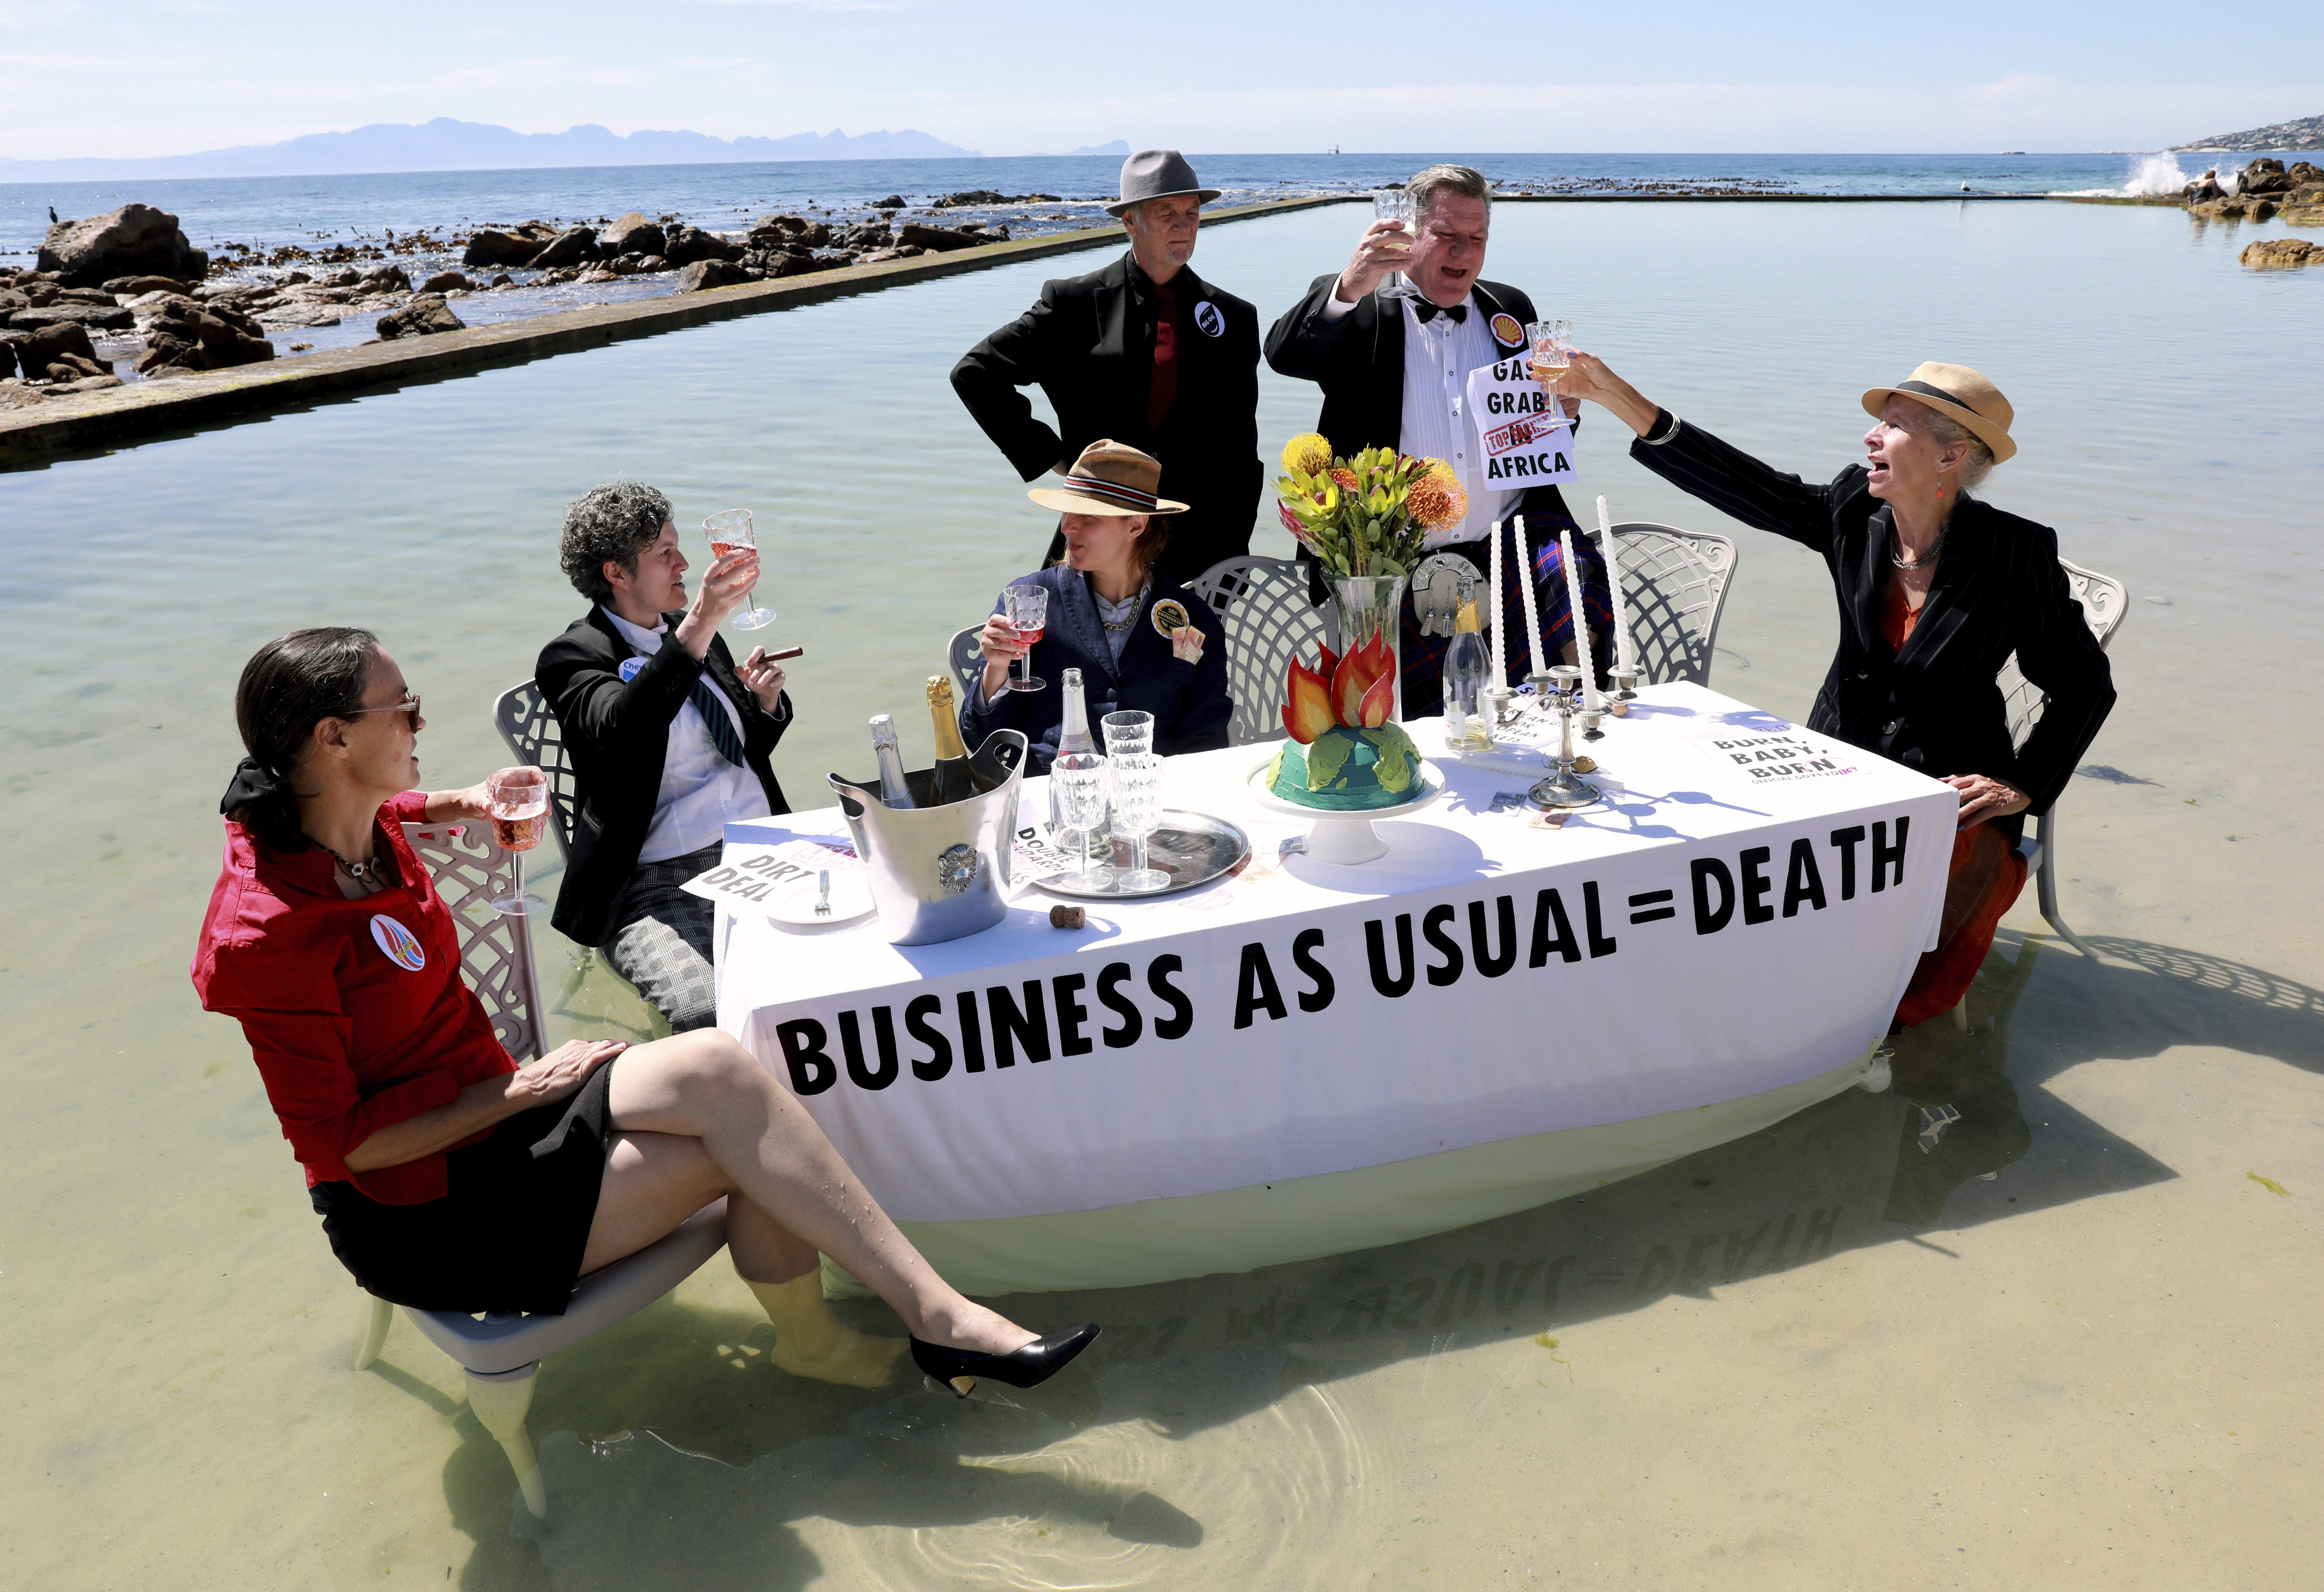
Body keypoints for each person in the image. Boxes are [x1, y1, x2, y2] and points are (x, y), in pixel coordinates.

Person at [191, 627, 1096, 1395]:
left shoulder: (362, 820)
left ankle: (921, 1318)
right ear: (333, 738)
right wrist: (518, 1094)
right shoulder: (265, 933)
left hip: (495, 1114)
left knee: (725, 1063)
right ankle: (858, 1334)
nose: (422, 722)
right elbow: (343, 1145)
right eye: (405, 710)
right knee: (745, 1142)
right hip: (429, 1211)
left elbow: (404, 806)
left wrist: (464, 799)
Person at [1558, 353, 2116, 1028]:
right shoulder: (1855, 509)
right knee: (1727, 862)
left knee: (1907, 950)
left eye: (1895, 426)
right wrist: (1617, 395)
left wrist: (2022, 786)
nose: (1870, 438)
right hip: (1833, 767)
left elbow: (2084, 684)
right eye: (1879, 423)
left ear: (1950, 455)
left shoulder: (2013, 553)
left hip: (1947, 797)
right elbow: (1748, 487)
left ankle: (1867, 1029)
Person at [1264, 163, 1612, 715]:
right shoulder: (1359, 310)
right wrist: (1351, 285)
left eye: (1476, 239)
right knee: (1420, 735)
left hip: (1509, 550)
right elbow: (1285, 355)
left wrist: (1562, 415)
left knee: (1545, 697)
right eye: (1447, 236)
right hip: (1393, 568)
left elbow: (1530, 426)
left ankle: (1582, 735)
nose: (1463, 252)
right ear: (1408, 233)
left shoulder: (1511, 310)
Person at [537, 482, 789, 1033]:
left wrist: (765, 706)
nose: (685, 563)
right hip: (656, 879)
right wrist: (701, 619)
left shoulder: (692, 633)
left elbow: (745, 751)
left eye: (679, 547)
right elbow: (621, 733)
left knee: (856, 961)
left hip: (761, 848)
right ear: (617, 573)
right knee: (709, 1013)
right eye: (664, 554)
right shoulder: (572, 656)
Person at [952, 149, 1262, 582]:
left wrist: (1232, 557)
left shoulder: (1233, 316)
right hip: (1096, 537)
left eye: (1192, 212)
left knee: (1189, 654)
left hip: (1200, 546)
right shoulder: (1073, 303)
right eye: (1166, 212)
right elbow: (975, 374)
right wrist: (1056, 456)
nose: (1184, 225)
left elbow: (1240, 453)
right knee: (1072, 647)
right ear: (1129, 221)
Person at [963, 440, 1231, 769]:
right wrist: (996, 670)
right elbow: (979, 741)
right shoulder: (1026, 602)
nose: (1067, 527)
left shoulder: (1197, 621)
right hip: (1051, 792)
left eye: (1088, 517)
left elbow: (1206, 741)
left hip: (1151, 796)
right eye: (1066, 512)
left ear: (1135, 525)